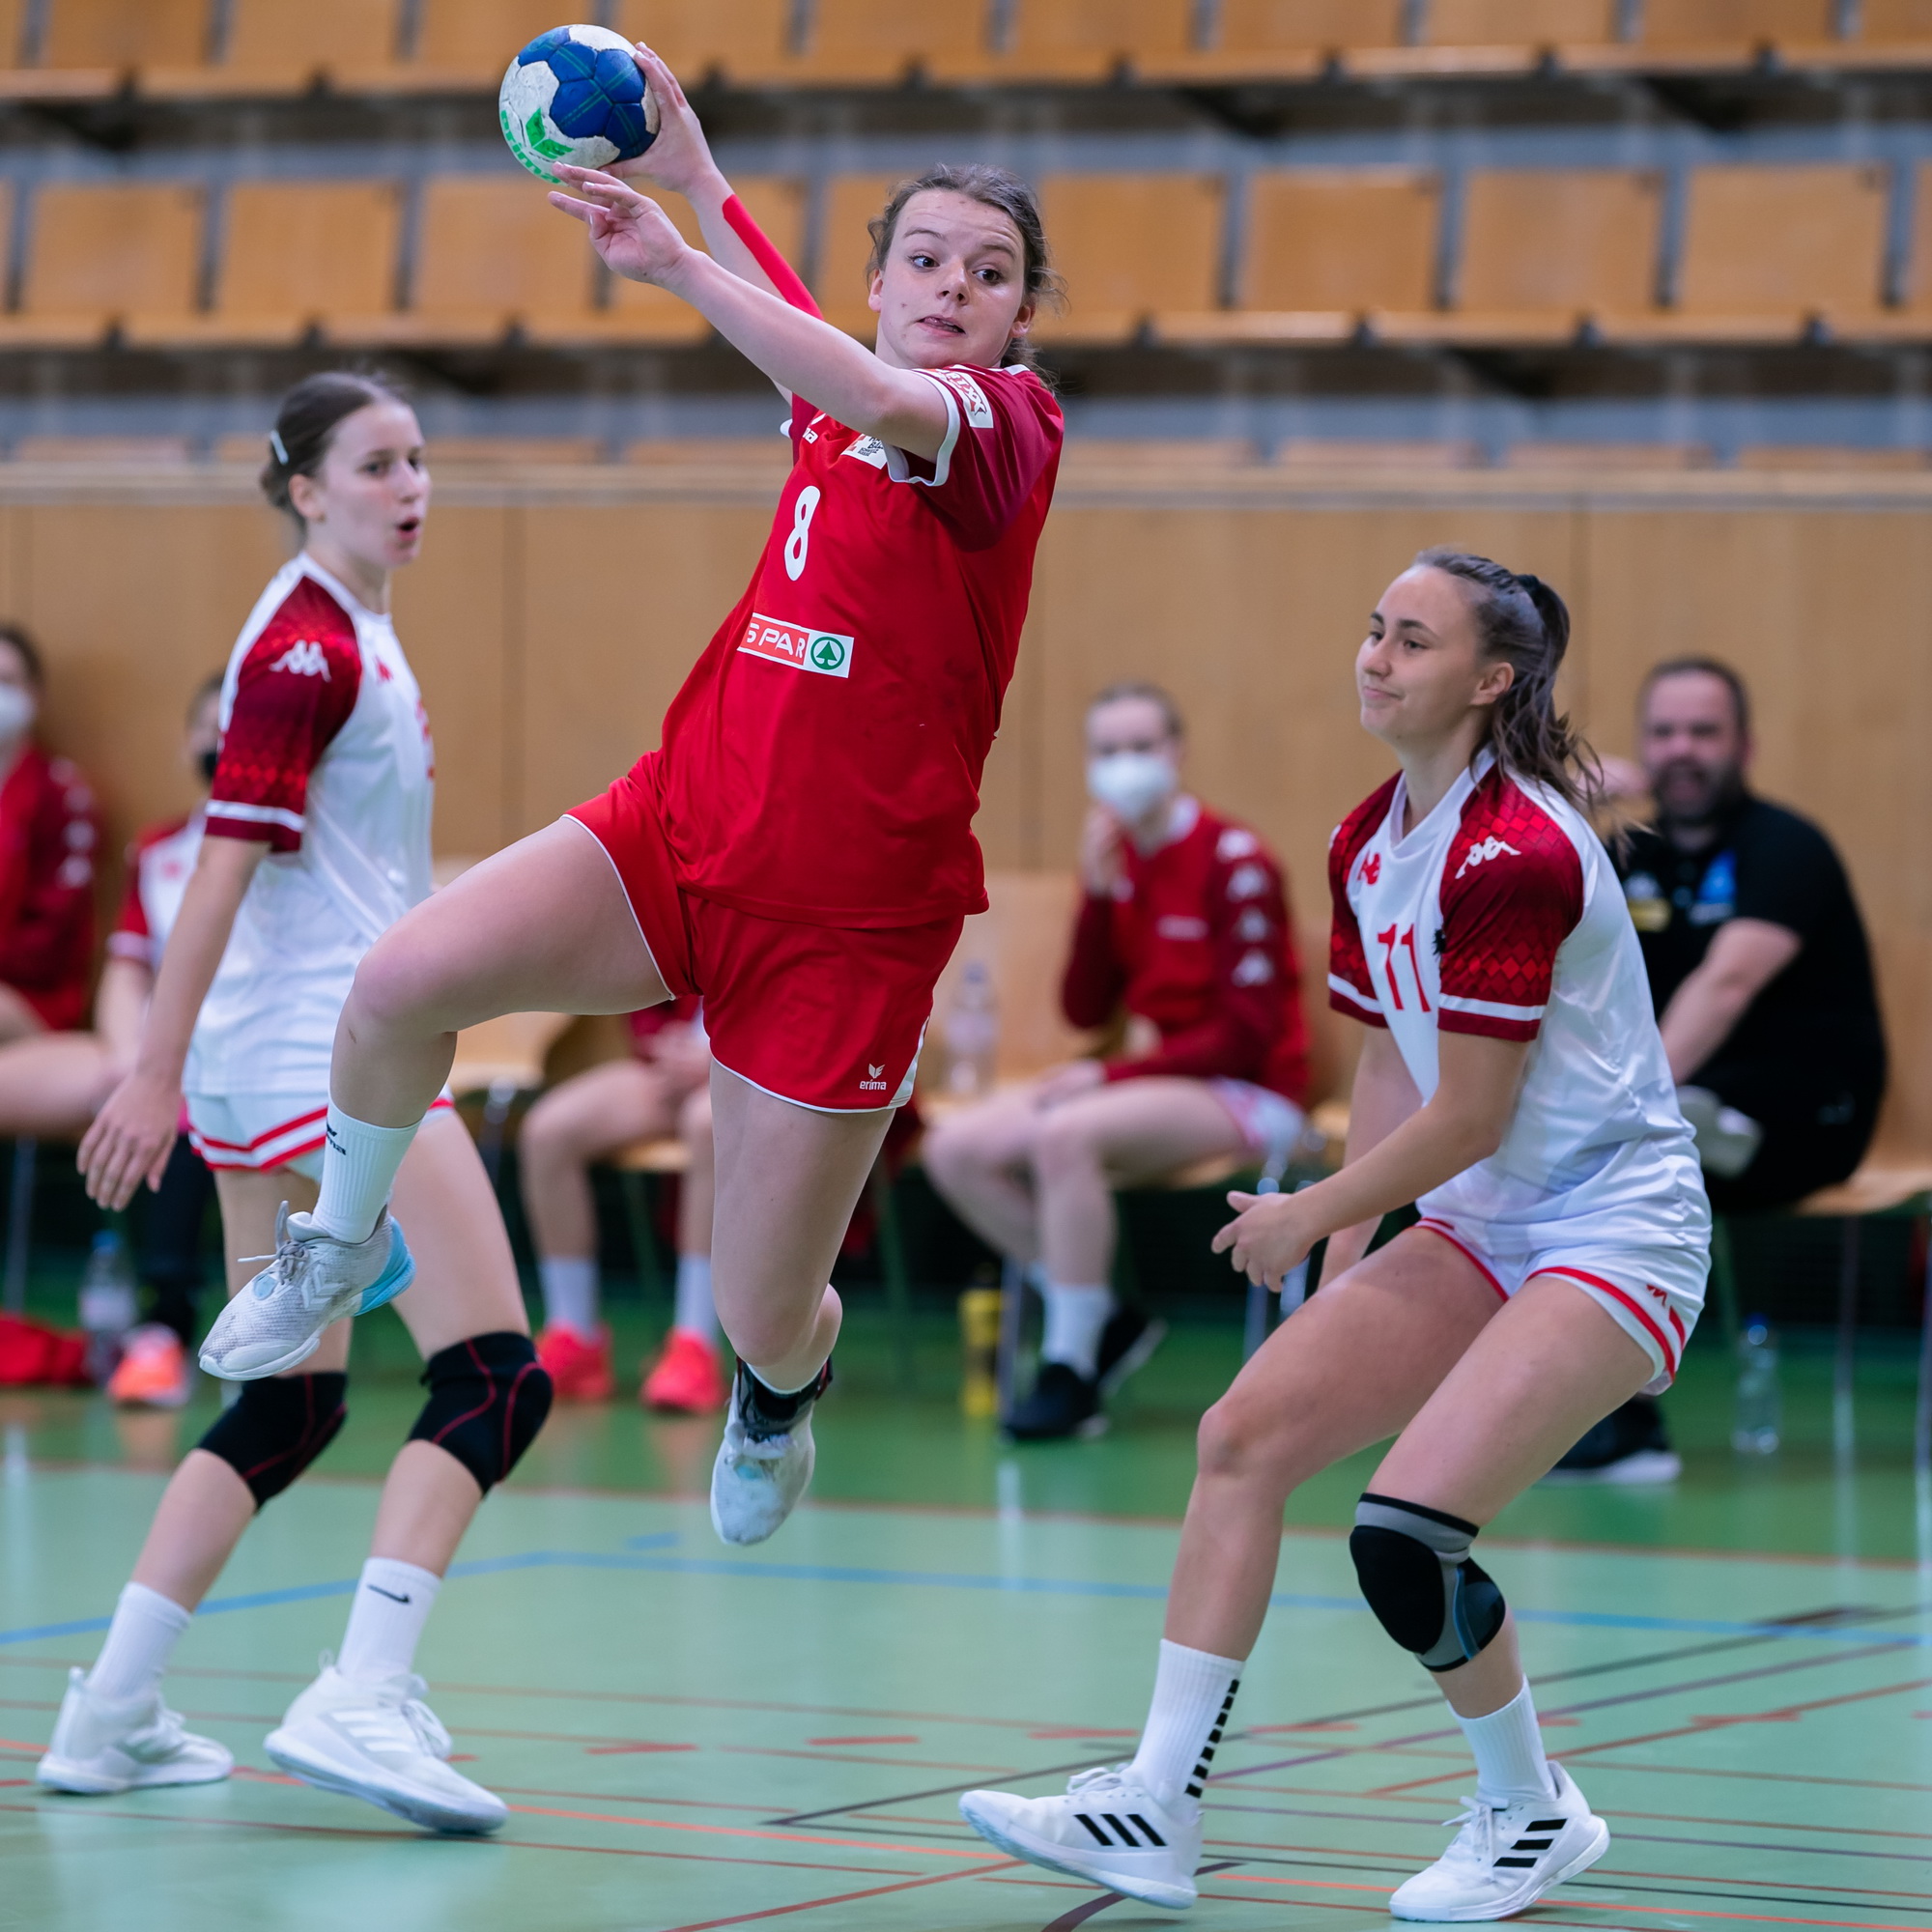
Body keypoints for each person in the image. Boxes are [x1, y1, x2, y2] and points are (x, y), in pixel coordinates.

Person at [198, 46, 1064, 1550]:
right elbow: (810, 344)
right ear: (877, 279)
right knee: (401, 984)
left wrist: (674, 261)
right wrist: (697, 174)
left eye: (987, 274)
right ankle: (332, 1249)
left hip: (849, 922)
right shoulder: (835, 386)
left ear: (1019, 319)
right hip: (677, 826)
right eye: (921, 258)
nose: (951, 286)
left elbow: (840, 369)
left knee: (761, 1303)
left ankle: (782, 1391)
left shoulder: (1003, 431)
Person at [957, 551, 1709, 1922]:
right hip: (1483, 1225)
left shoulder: (1517, 853)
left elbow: (1473, 1114)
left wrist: (1311, 1207)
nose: (1374, 657)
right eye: (1372, 629)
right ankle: (1153, 1807)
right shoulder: (1370, 838)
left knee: (1405, 1535)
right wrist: (1340, 1278)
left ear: (1491, 682)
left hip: (1613, 1228)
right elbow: (1387, 1072)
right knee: (1243, 1438)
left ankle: (1532, 1814)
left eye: (1411, 642)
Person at [37, 372, 552, 1835]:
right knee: (498, 1379)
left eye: (422, 459)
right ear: (305, 488)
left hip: (277, 1057)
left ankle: (111, 1711)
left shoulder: (356, 634)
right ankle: (363, 1692)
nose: (413, 485)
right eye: (378, 463)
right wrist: (149, 1064)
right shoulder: (305, 653)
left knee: (293, 1400)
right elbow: (222, 861)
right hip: (328, 1062)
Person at [924, 681, 1309, 1440]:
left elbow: (1245, 1036)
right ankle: (1102, 1310)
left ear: (1178, 752)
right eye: (1108, 751)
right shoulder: (1118, 859)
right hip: (1159, 1082)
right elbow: (1083, 1011)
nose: (1125, 764)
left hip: (1248, 1090)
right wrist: (1098, 898)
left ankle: (1071, 1366)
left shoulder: (1236, 861)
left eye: (1142, 747)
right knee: (955, 1148)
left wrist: (1107, 1076)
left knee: (1065, 1134)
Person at [1550, 656, 1884, 1484]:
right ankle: (1582, 1415)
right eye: (1663, 732)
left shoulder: (1786, 848)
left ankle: (1623, 1427)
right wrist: (1570, 811)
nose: (1682, 750)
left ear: (1746, 746)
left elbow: (1724, 987)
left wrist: (1623, 1110)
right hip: (1689, 1108)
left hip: (1804, 1119)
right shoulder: (1628, 855)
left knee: (1605, 1164)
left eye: (1705, 731)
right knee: (1549, 1156)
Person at [0, 674, 224, 1406]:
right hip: (161, 1054)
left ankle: (164, 1328)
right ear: (188, 740)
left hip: (250, 1058)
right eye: (207, 729)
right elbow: (127, 972)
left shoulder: (307, 850)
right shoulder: (161, 850)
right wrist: (137, 1060)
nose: (220, 745)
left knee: (189, 1102)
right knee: (145, 1088)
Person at [524, 996, 724, 1410]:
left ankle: (695, 1345)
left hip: (758, 1077)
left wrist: (724, 1057)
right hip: (675, 1075)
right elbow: (653, 976)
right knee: (549, 1131)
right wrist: (665, 1047)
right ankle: (574, 1335)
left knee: (708, 1125)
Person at [0, 623, 99, 1042]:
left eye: (6, 682)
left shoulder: (63, 796)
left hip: (33, 1001)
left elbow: (48, 940)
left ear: (34, 694)